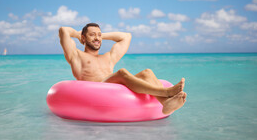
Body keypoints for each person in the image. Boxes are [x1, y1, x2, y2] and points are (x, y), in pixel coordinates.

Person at [59, 23, 187, 115]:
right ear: (83, 38)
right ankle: (166, 92)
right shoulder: (76, 55)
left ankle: (166, 103)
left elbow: (126, 36)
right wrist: (79, 34)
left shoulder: (108, 57)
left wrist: (100, 35)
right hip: (95, 91)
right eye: (92, 35)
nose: (97, 38)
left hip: (114, 90)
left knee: (147, 73)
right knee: (122, 73)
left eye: (99, 35)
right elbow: (64, 30)